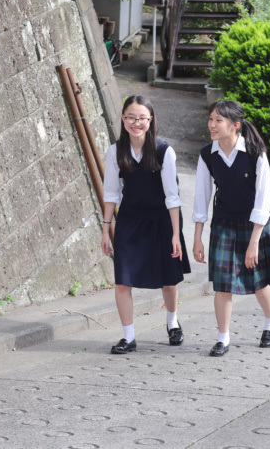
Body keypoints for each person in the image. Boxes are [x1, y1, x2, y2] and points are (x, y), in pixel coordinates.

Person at [193, 100, 270, 357]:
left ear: (235, 125)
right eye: (211, 119)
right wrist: (197, 238)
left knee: (259, 281)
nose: (212, 125)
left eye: (218, 120)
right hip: (224, 224)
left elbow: (263, 200)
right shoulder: (207, 154)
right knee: (223, 285)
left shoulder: (255, 153)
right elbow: (201, 197)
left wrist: (254, 243)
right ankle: (223, 338)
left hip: (254, 225)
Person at [101, 96, 191, 354]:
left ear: (150, 120)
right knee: (122, 280)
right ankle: (128, 337)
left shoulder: (164, 151)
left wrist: (176, 234)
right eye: (131, 117)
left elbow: (173, 197)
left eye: (142, 118)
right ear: (123, 119)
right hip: (130, 219)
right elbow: (111, 193)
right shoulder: (115, 151)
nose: (136, 123)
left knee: (168, 279)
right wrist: (106, 229)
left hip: (163, 219)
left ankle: (172, 322)